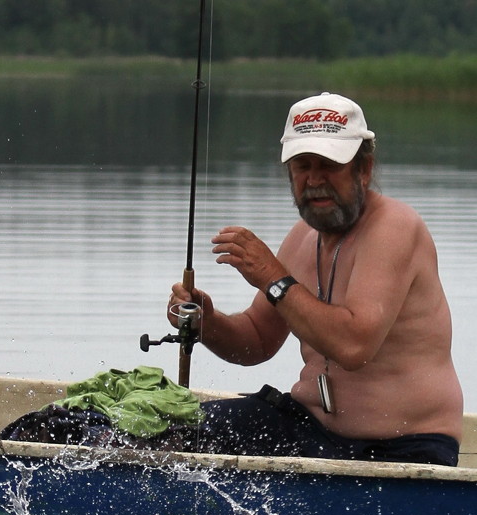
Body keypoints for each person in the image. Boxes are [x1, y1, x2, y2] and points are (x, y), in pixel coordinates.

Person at [167, 92, 463, 466]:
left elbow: (353, 347)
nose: (314, 179)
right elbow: (256, 342)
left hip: (404, 447)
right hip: (310, 428)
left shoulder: (395, 228)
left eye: (329, 165)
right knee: (169, 431)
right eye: (302, 166)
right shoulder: (302, 238)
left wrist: (273, 277)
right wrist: (206, 322)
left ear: (364, 169)